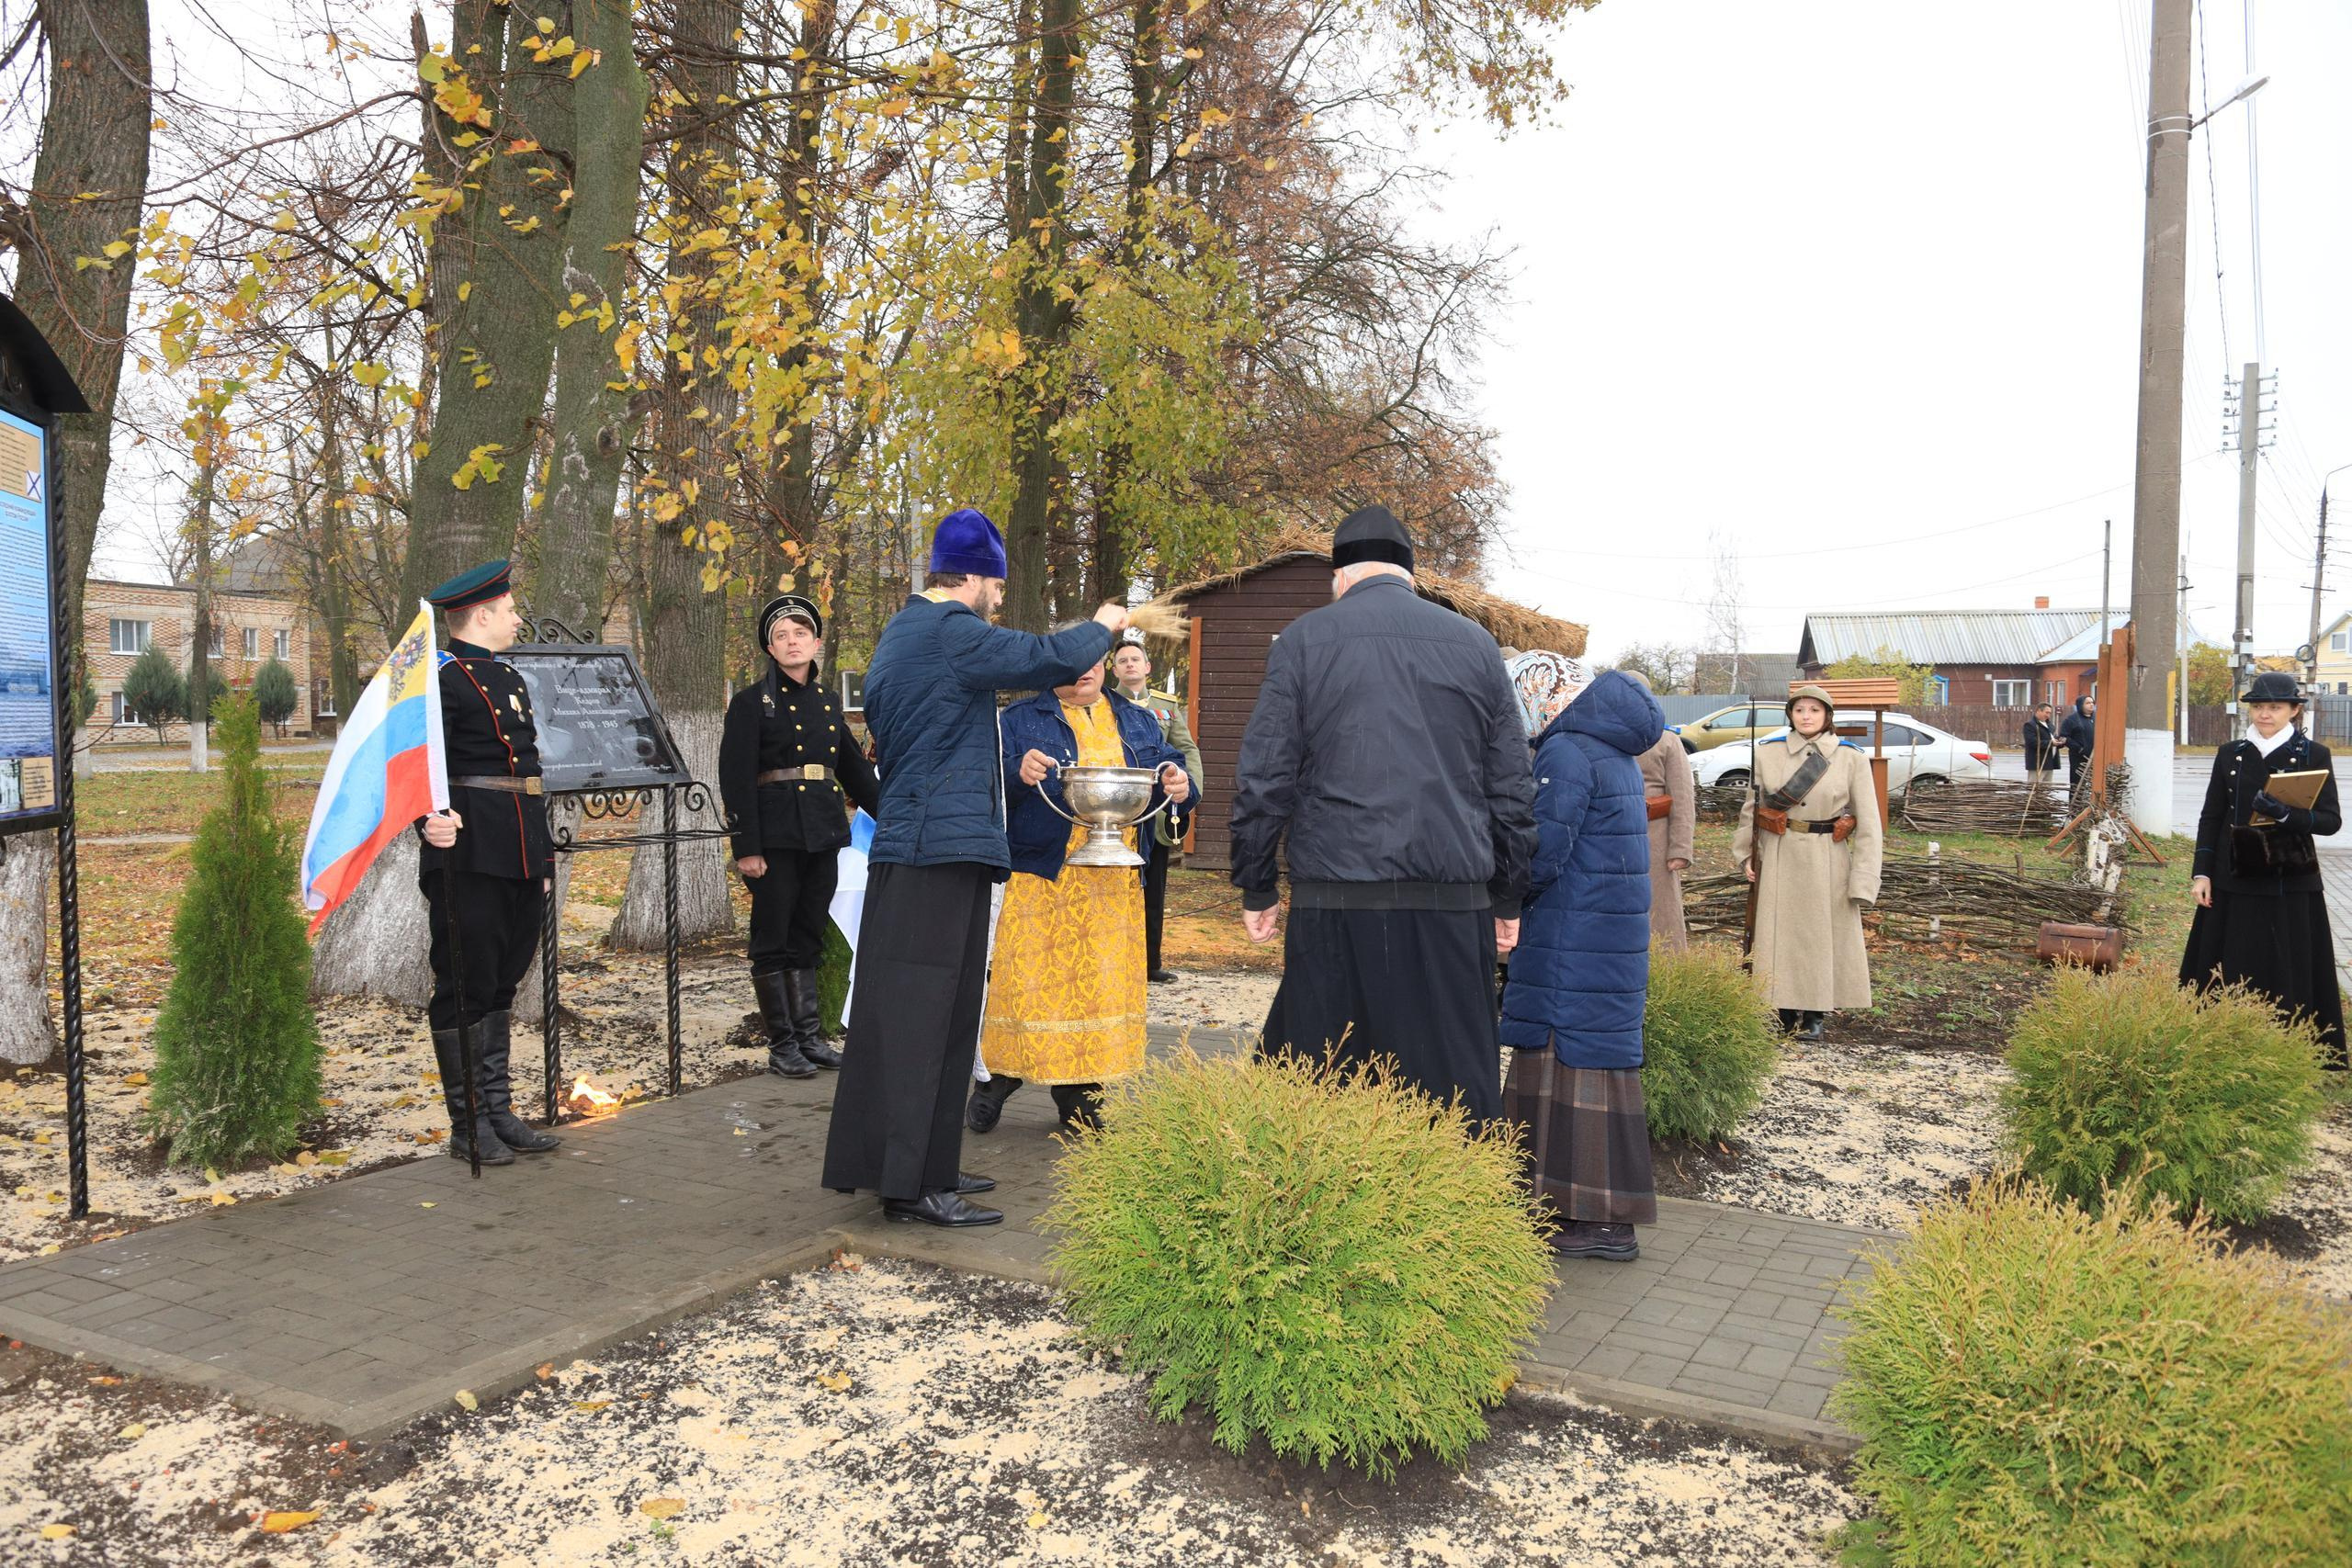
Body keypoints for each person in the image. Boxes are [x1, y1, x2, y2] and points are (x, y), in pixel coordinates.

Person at [820, 509, 1127, 1227]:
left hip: (933, 847)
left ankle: (926, 1164)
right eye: (998, 586)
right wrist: (1104, 623)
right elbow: (1043, 657)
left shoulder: (908, 631)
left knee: (945, 1018)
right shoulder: (947, 631)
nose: (998, 600)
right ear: (982, 577)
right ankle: (908, 1186)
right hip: (933, 851)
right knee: (925, 1021)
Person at [1230, 504, 1537, 1125]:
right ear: (1410, 575)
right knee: (1451, 1101)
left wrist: (1257, 881)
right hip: (1450, 908)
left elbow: (1265, 775)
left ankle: (1320, 1220)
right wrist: (1508, 895)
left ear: (1339, 576)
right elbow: (1511, 786)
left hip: (1335, 904)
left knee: (1317, 1095)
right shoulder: (1477, 646)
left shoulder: (1304, 641)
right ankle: (1458, 1218)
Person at [967, 645, 1195, 1134]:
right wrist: (1016, 773)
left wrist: (1180, 784)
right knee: (1028, 985)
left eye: (1094, 661)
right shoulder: (1017, 718)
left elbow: (1172, 770)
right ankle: (1001, 1077)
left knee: (1100, 989)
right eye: (1072, 663)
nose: (1085, 671)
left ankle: (1082, 1094)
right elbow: (982, 783)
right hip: (1042, 874)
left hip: (1113, 880)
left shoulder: (1137, 719)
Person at [1499, 660, 1665, 1262]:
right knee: (1589, 1066)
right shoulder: (1607, 747)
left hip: (1572, 937)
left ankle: (1602, 1222)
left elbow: (1541, 853)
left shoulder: (1567, 750)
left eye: (1522, 695)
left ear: (1546, 693)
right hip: (1599, 935)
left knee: (1569, 1062)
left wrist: (1498, 894)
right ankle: (1577, 1207)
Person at [416, 560, 562, 1166]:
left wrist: (544, 852)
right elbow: (413, 761)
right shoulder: (436, 679)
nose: (516, 617)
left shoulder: (507, 676)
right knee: (466, 981)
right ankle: (468, 1123)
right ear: (480, 616)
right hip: (470, 847)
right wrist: (427, 817)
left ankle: (498, 1110)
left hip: (520, 845)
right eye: (508, 609)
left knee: (504, 978)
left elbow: (525, 769)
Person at [718, 593, 880, 1078]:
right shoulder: (751, 703)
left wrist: (895, 817)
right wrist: (746, 847)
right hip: (774, 837)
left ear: (817, 642)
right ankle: (782, 1044)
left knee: (807, 935)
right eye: (781, 636)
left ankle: (809, 1037)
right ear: (769, 647)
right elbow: (736, 777)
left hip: (823, 833)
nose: (792, 643)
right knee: (773, 938)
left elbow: (853, 770)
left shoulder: (828, 701)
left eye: (800, 634)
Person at [2181, 671, 2346, 1068]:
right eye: (2258, 706)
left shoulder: (2313, 755)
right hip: (2232, 875)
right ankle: (2221, 1040)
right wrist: (2201, 873)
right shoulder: (2230, 753)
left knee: (2285, 958)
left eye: (2274, 707)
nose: (2264, 714)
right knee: (2229, 956)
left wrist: (2287, 814)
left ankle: (2289, 1045)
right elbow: (2211, 816)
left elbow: (2330, 821)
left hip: (2288, 877)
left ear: (2293, 710)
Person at [1734, 684, 1883, 1041]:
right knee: (1778, 935)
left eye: (1814, 710)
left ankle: (1816, 1014)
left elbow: (1870, 823)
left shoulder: (1851, 757)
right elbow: (1750, 812)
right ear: (1790, 714)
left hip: (1826, 858)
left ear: (1827, 716)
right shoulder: (1767, 752)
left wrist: (1863, 879)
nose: (1806, 716)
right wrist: (1745, 856)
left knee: (1819, 937)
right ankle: (1782, 1011)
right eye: (1799, 710)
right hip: (1779, 852)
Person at [1109, 637, 1203, 984]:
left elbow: (1186, 751)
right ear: (1114, 668)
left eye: (1136, 659)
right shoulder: (1104, 703)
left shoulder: (1165, 706)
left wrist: (1187, 793)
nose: (1130, 665)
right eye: (1123, 660)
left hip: (1155, 813)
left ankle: (1150, 962)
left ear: (1148, 667)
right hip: (1114, 811)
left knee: (1154, 889)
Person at [1631, 676, 1695, 953]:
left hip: (1655, 839)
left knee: (1661, 914)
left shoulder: (1666, 740)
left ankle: (1667, 971)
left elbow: (1682, 796)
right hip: (1610, 840)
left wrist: (1679, 849)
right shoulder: (1601, 739)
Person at [2059, 694, 2097, 796]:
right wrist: (2079, 748)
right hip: (2079, 758)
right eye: (2088, 703)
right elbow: (2063, 737)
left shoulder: (2097, 717)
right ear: (2080, 705)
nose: (2091, 705)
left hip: (2095, 757)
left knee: (2095, 785)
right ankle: (2074, 808)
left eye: (2092, 702)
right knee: (2078, 785)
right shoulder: (2072, 719)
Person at [2021, 701, 2062, 787]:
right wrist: (2051, 743)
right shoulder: (2030, 725)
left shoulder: (2050, 725)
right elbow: (2033, 742)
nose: (2048, 715)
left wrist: (2060, 742)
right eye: (2046, 712)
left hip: (2050, 762)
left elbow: (2053, 739)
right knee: (2034, 789)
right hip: (2038, 763)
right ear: (2038, 711)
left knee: (2047, 790)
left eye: (2050, 713)